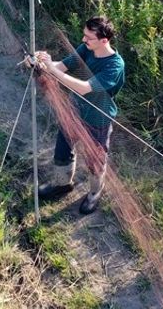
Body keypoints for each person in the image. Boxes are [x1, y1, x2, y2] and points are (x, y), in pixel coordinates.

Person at [31, 15, 125, 214]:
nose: (83, 40)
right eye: (84, 36)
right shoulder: (86, 49)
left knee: (95, 160)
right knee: (63, 148)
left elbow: (84, 88)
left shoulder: (115, 66)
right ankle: (62, 184)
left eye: (89, 38)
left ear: (104, 41)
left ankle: (94, 194)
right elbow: (60, 67)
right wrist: (41, 62)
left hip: (97, 119)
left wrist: (52, 70)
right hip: (74, 110)